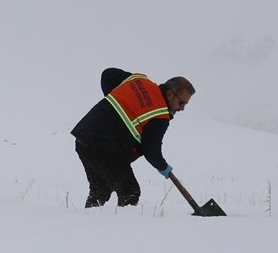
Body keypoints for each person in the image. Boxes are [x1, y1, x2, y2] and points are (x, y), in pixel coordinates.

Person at [71, 69, 195, 208]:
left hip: (83, 138)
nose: (182, 108)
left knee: (101, 189)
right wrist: (163, 167)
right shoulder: (159, 115)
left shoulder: (139, 80)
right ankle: (126, 222)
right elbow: (151, 150)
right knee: (129, 191)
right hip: (104, 148)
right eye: (181, 103)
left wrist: (116, 106)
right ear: (170, 94)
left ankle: (87, 218)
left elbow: (107, 75)